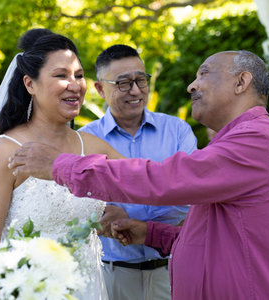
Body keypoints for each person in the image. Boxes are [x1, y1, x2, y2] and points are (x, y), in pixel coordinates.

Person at [8, 50, 269, 299]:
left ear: (241, 82)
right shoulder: (246, 140)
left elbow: (163, 179)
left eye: (204, 74)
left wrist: (62, 166)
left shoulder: (256, 140)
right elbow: (222, 236)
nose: (191, 86)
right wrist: (150, 233)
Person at [0, 28, 124, 300]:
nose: (75, 84)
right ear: (30, 84)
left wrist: (117, 213)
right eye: (61, 75)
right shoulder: (6, 152)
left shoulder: (94, 147)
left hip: (89, 290)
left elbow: (149, 182)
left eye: (79, 75)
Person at [79, 44, 197, 300]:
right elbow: (78, 201)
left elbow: (190, 195)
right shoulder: (85, 139)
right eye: (123, 83)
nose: (135, 90)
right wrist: (102, 213)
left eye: (140, 80)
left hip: (172, 270)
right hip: (111, 275)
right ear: (100, 89)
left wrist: (136, 223)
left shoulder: (177, 131)